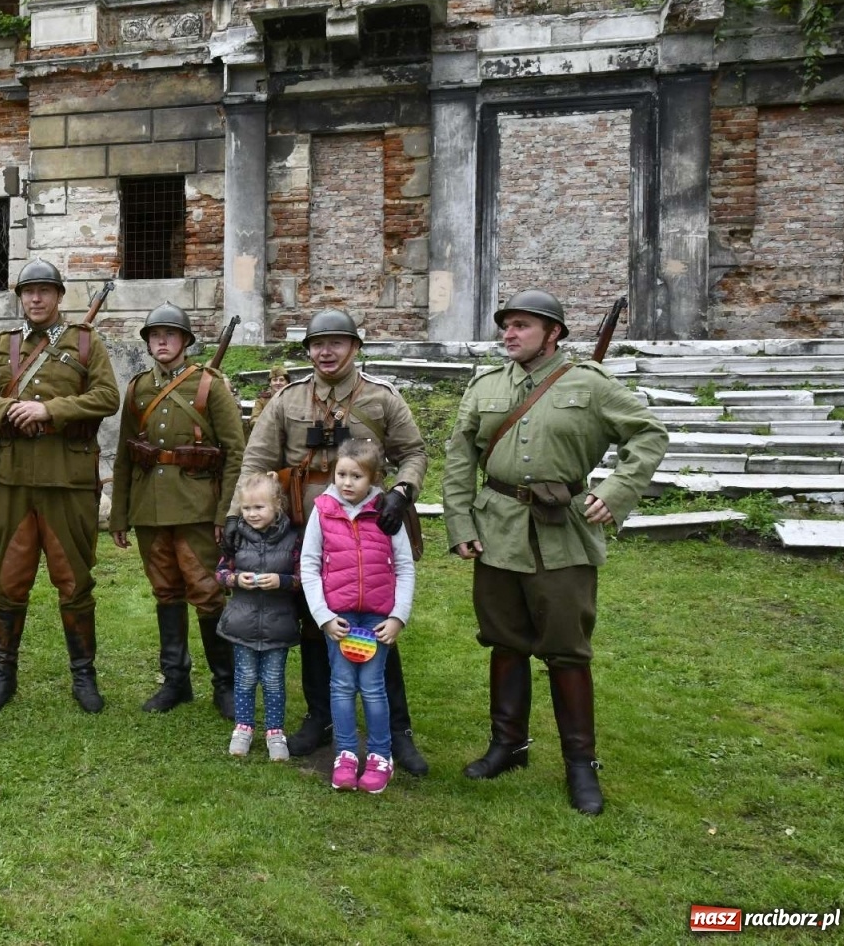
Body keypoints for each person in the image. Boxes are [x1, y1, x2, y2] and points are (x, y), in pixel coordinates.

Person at [444, 290, 667, 815]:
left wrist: (614, 493)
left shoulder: (589, 384)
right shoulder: (485, 387)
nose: (509, 334)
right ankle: (508, 746)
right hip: (496, 529)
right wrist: (459, 522)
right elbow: (459, 457)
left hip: (561, 533)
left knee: (567, 649)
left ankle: (580, 765)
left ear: (553, 333)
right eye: (506, 326)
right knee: (504, 641)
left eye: (521, 325)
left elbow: (649, 434)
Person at [233, 309, 430, 773]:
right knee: (311, 623)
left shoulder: (381, 400)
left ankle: (397, 732)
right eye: (318, 344)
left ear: (354, 348)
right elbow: (256, 458)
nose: (326, 351)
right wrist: (233, 517)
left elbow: (414, 452)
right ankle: (320, 716)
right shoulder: (287, 401)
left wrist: (402, 492)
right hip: (304, 529)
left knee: (378, 623)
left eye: (336, 343)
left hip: (368, 530)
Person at [0, 259, 120, 714]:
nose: (35, 299)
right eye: (28, 292)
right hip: (13, 482)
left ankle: (84, 676)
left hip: (67, 480)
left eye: (44, 291)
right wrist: (9, 408)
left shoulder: (87, 343)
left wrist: (50, 410)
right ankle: (3, 674)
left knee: (74, 580)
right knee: (9, 580)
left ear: (59, 296)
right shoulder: (2, 346)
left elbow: (107, 398)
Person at [110, 303, 244, 717]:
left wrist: (226, 514)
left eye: (170, 334)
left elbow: (236, 453)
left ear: (186, 341)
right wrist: (119, 515)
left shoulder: (209, 385)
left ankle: (225, 684)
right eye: (155, 335)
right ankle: (176, 682)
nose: (162, 341)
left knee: (206, 593)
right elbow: (125, 455)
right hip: (150, 509)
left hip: (196, 508)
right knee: (166, 592)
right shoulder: (137, 389)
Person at [301, 438, 416, 794]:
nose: (347, 483)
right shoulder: (322, 511)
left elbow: (405, 567)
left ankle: (381, 756)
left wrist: (398, 617)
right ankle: (346, 754)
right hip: (340, 620)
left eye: (357, 477)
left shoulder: (387, 513)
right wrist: (323, 616)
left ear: (375, 478)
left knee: (372, 687)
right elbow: (309, 564)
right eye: (341, 475)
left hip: (376, 621)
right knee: (340, 685)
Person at [215, 473, 301, 760]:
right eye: (247, 508)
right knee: (246, 678)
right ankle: (243, 727)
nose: (251, 514)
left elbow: (303, 577)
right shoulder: (236, 537)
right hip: (242, 622)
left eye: (259, 507)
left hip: (279, 622)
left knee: (275, 680)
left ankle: (275, 731)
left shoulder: (293, 538)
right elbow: (220, 573)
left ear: (277, 504)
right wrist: (236, 580)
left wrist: (283, 581)